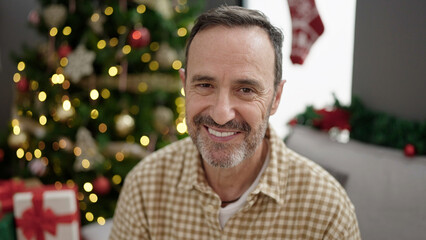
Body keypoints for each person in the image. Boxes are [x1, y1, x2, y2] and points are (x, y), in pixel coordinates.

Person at [109, 5, 361, 239]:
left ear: (276, 98)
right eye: (205, 85)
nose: (221, 114)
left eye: (246, 90)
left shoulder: (327, 211)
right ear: (184, 85)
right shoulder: (145, 187)